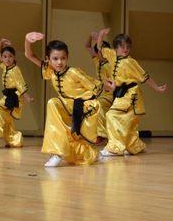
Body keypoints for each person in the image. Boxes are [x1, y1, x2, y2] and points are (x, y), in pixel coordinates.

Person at [24, 32, 110, 167]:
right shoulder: (50, 70)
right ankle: (65, 154)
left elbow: (93, 83)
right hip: (64, 106)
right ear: (48, 59)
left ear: (67, 57)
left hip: (82, 106)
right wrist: (28, 41)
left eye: (63, 58)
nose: (59, 62)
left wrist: (108, 85)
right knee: (54, 105)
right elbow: (29, 55)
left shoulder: (74, 72)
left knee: (54, 105)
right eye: (55, 58)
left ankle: (70, 154)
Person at [96, 28, 167, 157]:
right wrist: (101, 35)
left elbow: (144, 77)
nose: (125, 49)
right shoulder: (112, 55)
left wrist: (156, 87)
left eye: (128, 47)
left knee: (112, 115)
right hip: (121, 93)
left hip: (131, 95)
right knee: (129, 121)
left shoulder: (130, 62)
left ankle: (115, 148)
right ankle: (136, 147)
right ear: (116, 48)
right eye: (122, 46)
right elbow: (99, 47)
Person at [0, 38, 32, 148]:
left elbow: (20, 83)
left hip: (15, 97)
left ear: (14, 57)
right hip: (8, 97)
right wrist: (1, 42)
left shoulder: (15, 69)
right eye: (5, 57)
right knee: (7, 119)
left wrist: (27, 97)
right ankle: (15, 140)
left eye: (10, 56)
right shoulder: (5, 66)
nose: (7, 59)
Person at [85, 30, 113, 144]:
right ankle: (93, 133)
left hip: (111, 94)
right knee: (88, 105)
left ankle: (102, 135)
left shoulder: (111, 65)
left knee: (99, 105)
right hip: (102, 93)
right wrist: (90, 35)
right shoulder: (97, 61)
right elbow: (87, 46)